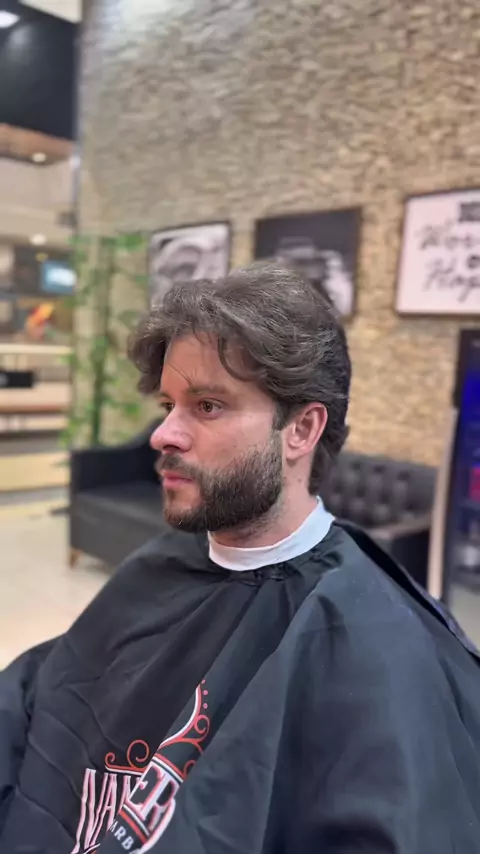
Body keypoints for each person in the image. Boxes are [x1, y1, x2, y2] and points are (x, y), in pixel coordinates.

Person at [1, 263, 480, 854]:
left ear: (301, 429)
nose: (162, 434)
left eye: (207, 406)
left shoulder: (371, 639)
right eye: (168, 404)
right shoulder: (162, 564)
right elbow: (44, 694)